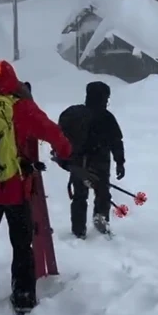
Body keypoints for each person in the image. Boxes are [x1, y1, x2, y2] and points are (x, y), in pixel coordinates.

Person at [0, 62, 72, 315]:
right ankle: (22, 296)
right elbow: (53, 132)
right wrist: (65, 151)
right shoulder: (22, 108)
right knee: (21, 244)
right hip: (15, 190)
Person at [57, 81, 125, 238]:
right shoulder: (107, 118)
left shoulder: (74, 114)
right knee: (102, 195)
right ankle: (101, 225)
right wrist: (120, 162)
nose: (107, 101)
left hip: (78, 163)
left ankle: (78, 231)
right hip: (100, 162)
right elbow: (116, 142)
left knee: (80, 197)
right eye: (106, 98)